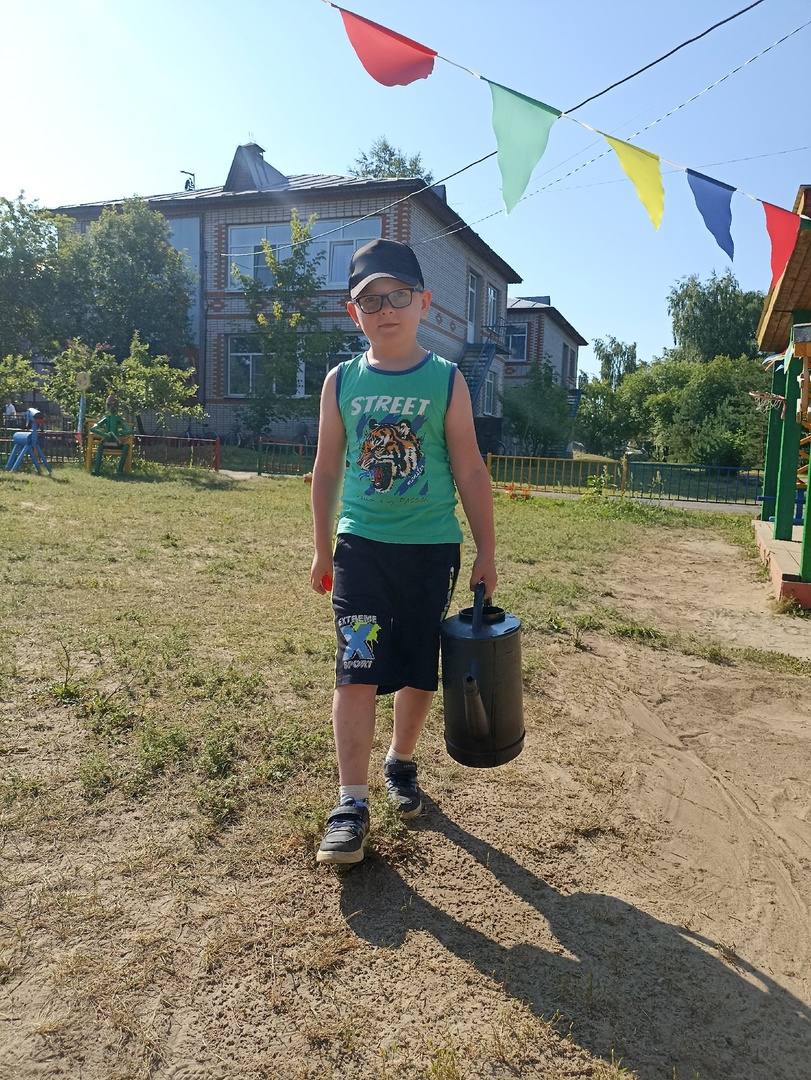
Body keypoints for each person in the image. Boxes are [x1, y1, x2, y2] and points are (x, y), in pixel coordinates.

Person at [310, 238, 498, 865]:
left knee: (419, 667)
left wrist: (486, 550)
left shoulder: (446, 380)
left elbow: (470, 470)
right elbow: (327, 469)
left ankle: (401, 762)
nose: (385, 309)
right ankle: (351, 803)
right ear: (353, 312)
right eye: (370, 300)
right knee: (357, 665)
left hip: (430, 551)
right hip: (360, 550)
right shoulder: (342, 382)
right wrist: (321, 549)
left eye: (397, 296)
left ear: (424, 303)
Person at [89, 395, 134, 475]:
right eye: (112, 406)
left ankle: (120, 471)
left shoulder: (117, 419)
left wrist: (120, 432)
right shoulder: (106, 418)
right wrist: (104, 434)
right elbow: (93, 429)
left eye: (115, 406)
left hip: (116, 443)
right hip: (106, 443)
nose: (113, 408)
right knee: (100, 446)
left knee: (126, 447)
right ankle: (96, 470)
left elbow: (130, 430)